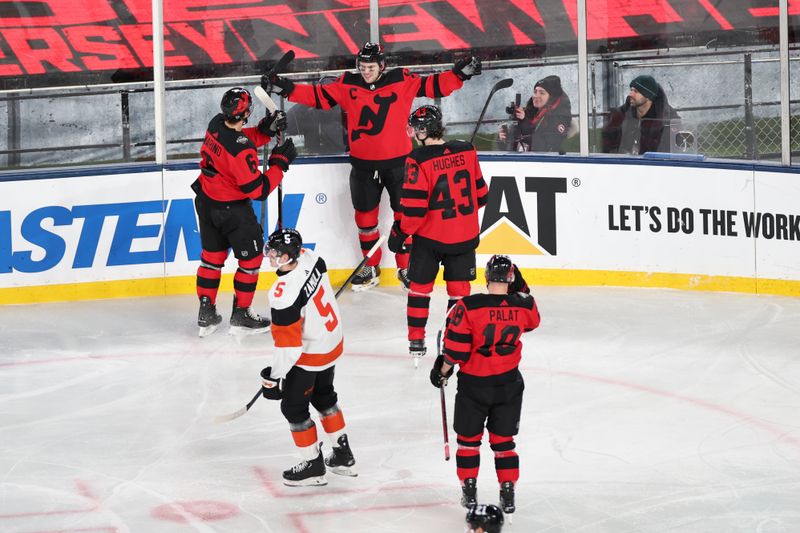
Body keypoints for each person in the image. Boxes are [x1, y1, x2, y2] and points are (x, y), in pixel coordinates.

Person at [262, 42, 482, 291]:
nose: (366, 72)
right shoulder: (348, 84)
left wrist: (459, 75)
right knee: (365, 220)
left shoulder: (402, 80)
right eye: (362, 67)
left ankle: (406, 268)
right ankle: (370, 268)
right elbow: (318, 97)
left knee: (405, 217)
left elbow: (433, 85)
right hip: (364, 167)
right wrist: (286, 88)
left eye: (371, 67)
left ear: (382, 66)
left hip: (400, 166)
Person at [430, 255, 541, 516]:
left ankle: (469, 491)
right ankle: (508, 492)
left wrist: (441, 371)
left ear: (487, 277)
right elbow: (533, 320)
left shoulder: (469, 306)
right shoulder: (525, 305)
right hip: (508, 385)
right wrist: (521, 290)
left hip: (474, 386)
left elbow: (455, 351)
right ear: (512, 278)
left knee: (469, 441)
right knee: (504, 442)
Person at [193, 87, 298, 338]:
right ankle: (241, 314)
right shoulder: (241, 150)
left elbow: (241, 138)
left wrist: (265, 130)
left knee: (212, 258)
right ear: (247, 113)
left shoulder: (216, 124)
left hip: (207, 203)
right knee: (250, 261)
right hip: (233, 212)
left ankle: (206, 312)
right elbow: (257, 190)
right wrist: (279, 164)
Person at [388, 104, 488, 361]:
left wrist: (399, 232)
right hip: (464, 238)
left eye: (414, 127)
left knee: (420, 290)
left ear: (423, 130)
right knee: (459, 291)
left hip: (430, 239)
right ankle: (454, 340)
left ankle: (416, 340)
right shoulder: (467, 150)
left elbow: (414, 210)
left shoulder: (417, 160)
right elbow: (482, 196)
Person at [260, 227, 357, 486]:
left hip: (312, 352)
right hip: (332, 341)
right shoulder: (310, 257)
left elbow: (289, 347)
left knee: (293, 407)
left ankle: (313, 465)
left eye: (276, 254)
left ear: (290, 256)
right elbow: (319, 273)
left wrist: (273, 376)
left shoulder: (283, 295)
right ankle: (342, 453)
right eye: (270, 251)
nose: (270, 257)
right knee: (324, 396)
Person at [601, 74, 680, 155]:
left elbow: (669, 152)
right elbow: (608, 147)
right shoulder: (620, 115)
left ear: (648, 96)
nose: (630, 94)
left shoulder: (667, 120)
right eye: (631, 90)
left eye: (636, 91)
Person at [499, 75, 573, 153]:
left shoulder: (559, 119)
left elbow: (543, 148)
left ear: (551, 97)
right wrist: (506, 138)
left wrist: (524, 122)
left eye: (542, 93)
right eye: (535, 92)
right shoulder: (531, 114)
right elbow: (512, 149)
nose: (536, 96)